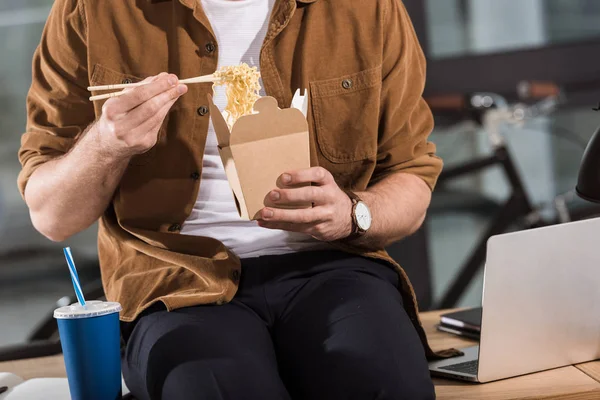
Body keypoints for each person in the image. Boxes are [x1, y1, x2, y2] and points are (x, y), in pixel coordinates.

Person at [18, 0, 458, 398]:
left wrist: (352, 214)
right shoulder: (93, 10)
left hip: (331, 264)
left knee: (385, 382)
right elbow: (52, 216)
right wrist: (106, 144)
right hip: (175, 282)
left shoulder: (366, 8)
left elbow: (410, 175)